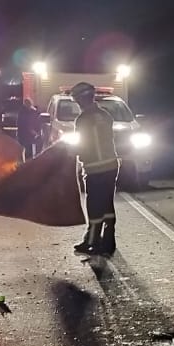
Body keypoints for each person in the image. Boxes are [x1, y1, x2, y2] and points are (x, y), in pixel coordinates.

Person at [69, 81, 118, 255]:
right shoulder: (105, 115)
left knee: (95, 207)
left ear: (82, 99)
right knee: (106, 203)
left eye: (76, 100)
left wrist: (66, 153)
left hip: (95, 168)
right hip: (111, 165)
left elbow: (84, 145)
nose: (77, 103)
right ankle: (109, 241)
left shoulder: (82, 120)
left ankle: (93, 243)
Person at [16, 97, 43, 162]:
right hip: (27, 134)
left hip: (25, 134)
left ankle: (25, 163)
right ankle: (28, 163)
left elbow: (19, 123)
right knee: (28, 150)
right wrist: (35, 131)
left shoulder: (23, 111)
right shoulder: (29, 111)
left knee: (26, 150)